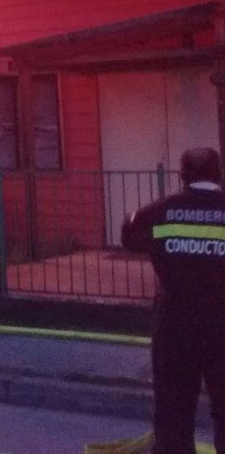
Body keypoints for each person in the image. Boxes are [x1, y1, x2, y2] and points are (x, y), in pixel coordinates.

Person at [122, 147, 225, 454]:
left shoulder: (159, 211)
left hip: (175, 324)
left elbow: (129, 233)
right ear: (218, 173)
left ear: (182, 177)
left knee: (174, 409)